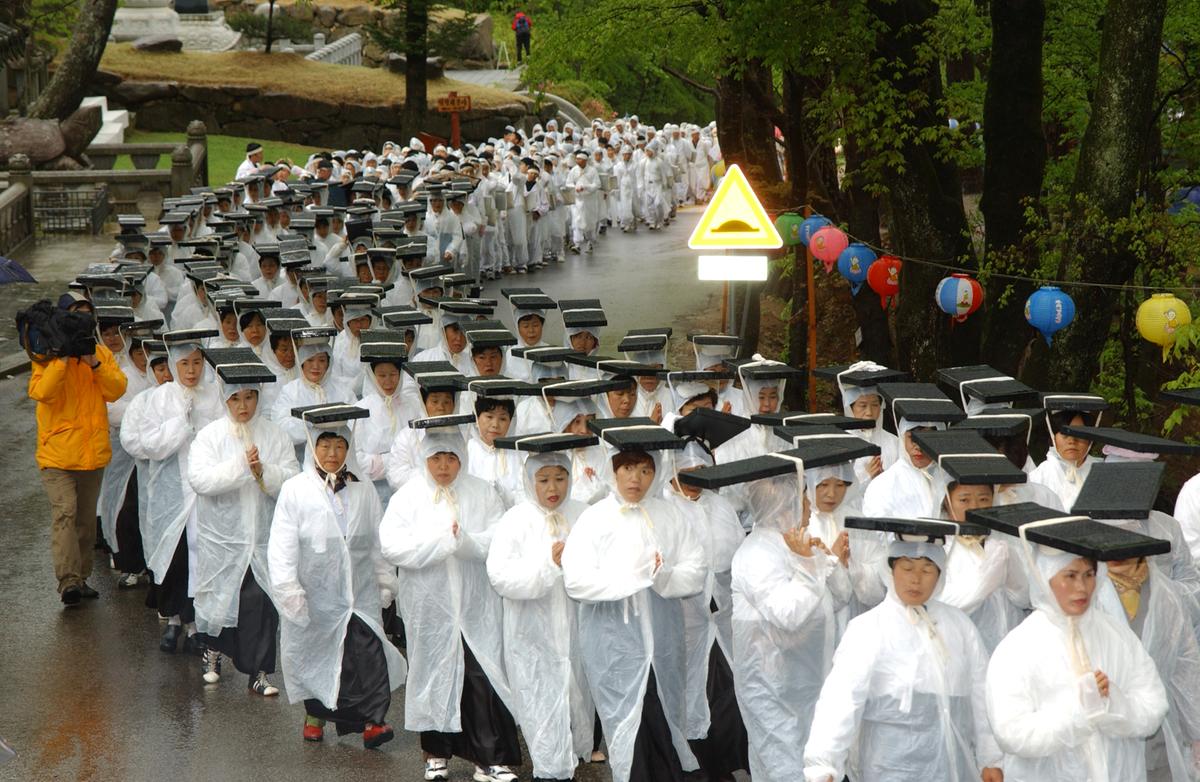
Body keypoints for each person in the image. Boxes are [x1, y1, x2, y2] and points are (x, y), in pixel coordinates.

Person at [804, 518, 1003, 782]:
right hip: (890, 767)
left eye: (927, 570)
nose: (916, 580)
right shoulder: (868, 628)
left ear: (941, 574)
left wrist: (990, 758)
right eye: (907, 568)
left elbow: (981, 693)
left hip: (951, 767)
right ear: (890, 570)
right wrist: (823, 765)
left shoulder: (958, 625)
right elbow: (840, 699)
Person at [561, 429, 706, 782]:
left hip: (663, 637)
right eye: (627, 469)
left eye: (644, 470)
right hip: (613, 641)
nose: (635, 479)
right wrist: (629, 578)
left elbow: (696, 568)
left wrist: (663, 576)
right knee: (627, 717)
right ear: (613, 471)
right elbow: (576, 580)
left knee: (663, 710)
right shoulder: (596, 518)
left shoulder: (669, 515)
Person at [379, 428, 522, 782]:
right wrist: (440, 543)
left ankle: (488, 758)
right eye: (436, 458)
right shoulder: (408, 496)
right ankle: (435, 754)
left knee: (481, 675)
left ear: (462, 458)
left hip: (476, 604)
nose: (444, 466)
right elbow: (393, 546)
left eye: (451, 458)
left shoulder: (481, 492)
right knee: (433, 674)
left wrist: (465, 542)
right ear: (424, 459)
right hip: (430, 605)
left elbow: (497, 538)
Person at [985, 518, 1169, 781]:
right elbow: (1012, 733)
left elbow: (1153, 706)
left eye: (1089, 575)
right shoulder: (1019, 647)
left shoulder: (1116, 635)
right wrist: (1079, 709)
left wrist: (1112, 703)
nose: (1081, 587)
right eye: (1069, 576)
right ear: (1044, 578)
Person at [268, 404, 407, 748]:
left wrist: (385, 582)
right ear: (313, 447)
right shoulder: (295, 490)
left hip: (359, 595)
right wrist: (289, 590)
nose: (332, 453)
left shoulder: (363, 489)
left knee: (369, 654)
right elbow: (282, 546)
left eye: (340, 446)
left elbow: (376, 541)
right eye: (325, 445)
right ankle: (315, 714)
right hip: (316, 593)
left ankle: (374, 721)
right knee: (319, 655)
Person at [187, 360, 299, 695]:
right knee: (222, 599)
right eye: (236, 398)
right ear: (225, 399)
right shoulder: (209, 436)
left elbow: (293, 476)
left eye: (250, 397)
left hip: (264, 538)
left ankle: (260, 671)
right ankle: (213, 653)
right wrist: (241, 466)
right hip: (223, 538)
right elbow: (200, 479)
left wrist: (265, 473)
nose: (243, 405)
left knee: (262, 602)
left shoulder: (274, 434)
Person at [486, 445, 597, 782]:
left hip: (577, 629)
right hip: (531, 631)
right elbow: (501, 576)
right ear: (528, 481)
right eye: (544, 479)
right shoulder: (515, 520)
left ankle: (573, 756)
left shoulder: (583, 515)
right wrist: (549, 564)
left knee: (578, 694)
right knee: (539, 697)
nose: (553, 488)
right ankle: (550, 771)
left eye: (561, 478)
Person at [130, 329, 225, 653]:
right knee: (173, 557)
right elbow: (149, 444)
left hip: (204, 494)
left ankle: (197, 624)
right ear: (173, 363)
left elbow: (223, 438)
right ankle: (173, 621)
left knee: (201, 558)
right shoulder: (160, 398)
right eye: (184, 363)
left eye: (197, 362)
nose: (191, 370)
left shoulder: (214, 395)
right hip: (171, 494)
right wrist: (180, 424)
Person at [28, 304, 128, 605]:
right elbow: (42, 392)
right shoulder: (46, 356)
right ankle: (68, 580)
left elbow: (117, 389)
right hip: (56, 456)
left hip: (91, 455)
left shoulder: (98, 354)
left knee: (85, 521)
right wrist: (61, 359)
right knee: (65, 512)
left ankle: (81, 577)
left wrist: (94, 363)